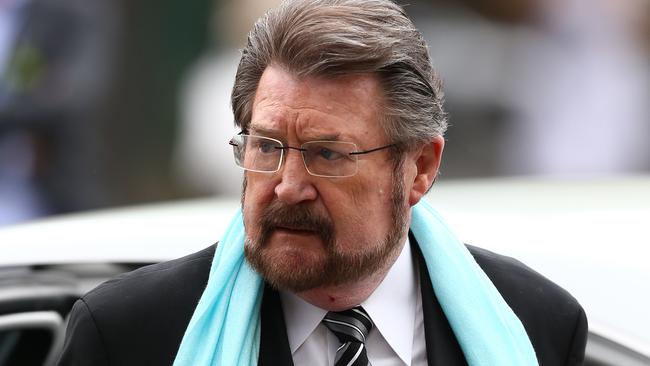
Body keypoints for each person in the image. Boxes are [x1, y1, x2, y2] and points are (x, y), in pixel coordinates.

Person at [57, 1, 587, 365]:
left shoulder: (536, 322)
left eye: (327, 154)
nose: (287, 186)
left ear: (420, 167)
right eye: (266, 146)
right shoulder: (129, 334)